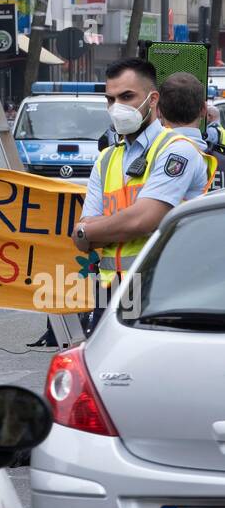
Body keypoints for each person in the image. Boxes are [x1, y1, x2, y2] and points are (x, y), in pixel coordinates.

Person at [74, 63, 215, 333]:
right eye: (110, 99)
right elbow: (79, 236)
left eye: (126, 97)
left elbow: (143, 220)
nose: (116, 107)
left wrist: (91, 231)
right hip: (110, 292)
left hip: (162, 290)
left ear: (153, 101)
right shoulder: (106, 159)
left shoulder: (177, 152)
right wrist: (89, 231)